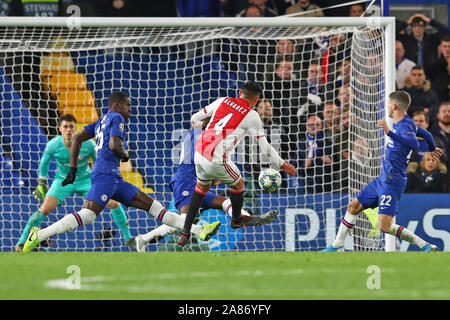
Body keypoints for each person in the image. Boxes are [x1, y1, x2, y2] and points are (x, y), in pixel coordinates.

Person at [22, 92, 221, 252]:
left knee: (154, 206)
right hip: (105, 176)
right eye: (128, 105)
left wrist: (73, 169)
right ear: (117, 105)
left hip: (114, 178)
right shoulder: (117, 117)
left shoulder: (100, 122)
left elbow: (77, 139)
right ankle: (38, 235)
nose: (130, 110)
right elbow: (114, 145)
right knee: (89, 215)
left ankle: (198, 230)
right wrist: (125, 155)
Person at [322, 91, 444, 252]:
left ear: (393, 106)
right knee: (353, 206)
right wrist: (431, 148)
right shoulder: (407, 123)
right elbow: (427, 134)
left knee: (385, 226)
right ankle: (337, 245)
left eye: (387, 104)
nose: (386, 107)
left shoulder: (404, 126)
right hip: (383, 179)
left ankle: (425, 245)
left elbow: (413, 144)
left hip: (393, 182)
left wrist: (389, 133)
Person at [178, 81, 296, 246]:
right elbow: (265, 147)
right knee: (239, 183)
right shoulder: (252, 115)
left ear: (240, 92)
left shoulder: (223, 100)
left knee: (200, 191)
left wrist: (203, 129)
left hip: (199, 154)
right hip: (217, 160)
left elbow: (194, 119)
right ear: (256, 100)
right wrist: (282, 164)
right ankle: (236, 219)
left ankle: (185, 233)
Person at [135, 117, 279, 252]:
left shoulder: (209, 139)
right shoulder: (198, 134)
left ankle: (247, 217)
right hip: (185, 180)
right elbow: (206, 163)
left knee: (225, 202)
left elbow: (213, 169)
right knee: (185, 219)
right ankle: (144, 239)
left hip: (198, 183)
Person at [16, 114, 135, 251]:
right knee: (45, 209)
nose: (68, 130)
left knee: (113, 203)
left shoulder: (88, 144)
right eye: (65, 127)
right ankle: (22, 242)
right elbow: (44, 164)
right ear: (60, 128)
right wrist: (41, 183)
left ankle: (128, 238)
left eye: (71, 127)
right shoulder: (53, 145)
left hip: (86, 180)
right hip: (62, 181)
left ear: (75, 128)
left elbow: (99, 163)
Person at [297, 114, 333, 193]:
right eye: (310, 125)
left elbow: (338, 167)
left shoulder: (329, 144)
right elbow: (294, 167)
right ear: (306, 126)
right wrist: (304, 165)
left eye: (317, 125)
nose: (313, 127)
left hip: (326, 185)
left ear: (322, 126)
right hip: (306, 185)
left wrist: (330, 162)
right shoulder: (300, 144)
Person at [425, 35, 450, 104]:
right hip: (438, 97)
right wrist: (445, 62)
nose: (447, 49)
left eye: (449, 46)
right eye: (444, 46)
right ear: (440, 48)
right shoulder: (433, 63)